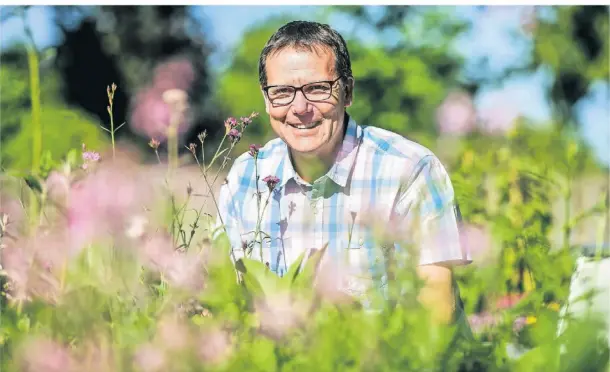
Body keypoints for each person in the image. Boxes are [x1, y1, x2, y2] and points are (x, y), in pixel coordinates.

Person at [215, 20, 471, 324]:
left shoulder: (409, 170)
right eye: (282, 92)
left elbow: (435, 316)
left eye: (317, 89)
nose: (300, 107)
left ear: (347, 92)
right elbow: (224, 298)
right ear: (267, 101)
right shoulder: (247, 174)